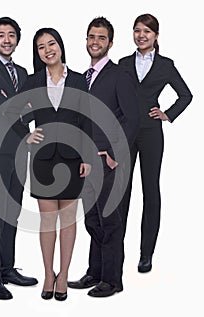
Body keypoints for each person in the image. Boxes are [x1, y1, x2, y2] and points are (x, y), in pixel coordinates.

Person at [11, 27, 92, 301]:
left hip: (72, 159)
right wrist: (26, 134)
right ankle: (48, 273)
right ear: (37, 53)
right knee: (47, 222)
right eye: (41, 47)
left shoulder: (79, 80)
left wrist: (88, 158)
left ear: (60, 45)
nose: (48, 49)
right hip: (43, 159)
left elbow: (87, 120)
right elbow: (12, 110)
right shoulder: (33, 82)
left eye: (51, 43)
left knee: (68, 221)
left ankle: (64, 275)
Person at [67, 16, 139, 297]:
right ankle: (94, 272)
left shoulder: (119, 75)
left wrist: (115, 155)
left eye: (100, 38)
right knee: (92, 220)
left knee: (109, 220)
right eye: (91, 37)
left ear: (110, 43)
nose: (95, 42)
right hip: (85, 160)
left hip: (107, 160)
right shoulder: (83, 77)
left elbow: (132, 119)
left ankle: (112, 280)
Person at [118, 13, 193, 273]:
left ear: (156, 36)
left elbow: (186, 95)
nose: (141, 35)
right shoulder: (123, 63)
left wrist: (167, 114)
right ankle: (117, 250)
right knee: (121, 190)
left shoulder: (165, 65)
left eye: (147, 31)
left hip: (151, 133)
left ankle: (146, 254)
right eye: (137, 30)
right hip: (126, 133)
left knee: (151, 190)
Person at [0, 17, 38, 301]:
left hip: (22, 146)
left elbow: (33, 106)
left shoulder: (24, 72)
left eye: (11, 35)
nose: (7, 39)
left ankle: (7, 267)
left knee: (13, 209)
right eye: (1, 35)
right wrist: (19, 104)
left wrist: (20, 105)